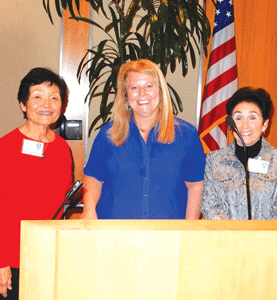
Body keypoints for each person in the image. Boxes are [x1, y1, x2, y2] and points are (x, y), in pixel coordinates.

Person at [0, 68, 73, 299]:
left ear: (62, 106)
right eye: (37, 97)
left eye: (54, 98)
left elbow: (61, 199)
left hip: (43, 249)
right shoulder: (6, 147)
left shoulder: (62, 149)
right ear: (23, 104)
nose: (46, 104)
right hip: (7, 252)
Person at [82, 59, 205, 220]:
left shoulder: (186, 135)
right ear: (126, 95)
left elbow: (196, 185)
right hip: (115, 235)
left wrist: (189, 229)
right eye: (134, 87)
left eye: (148, 86)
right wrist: (89, 209)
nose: (142, 93)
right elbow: (93, 177)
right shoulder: (108, 134)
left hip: (168, 237)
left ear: (160, 92)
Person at [201, 87, 277, 220]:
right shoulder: (214, 160)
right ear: (231, 124)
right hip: (225, 239)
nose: (245, 125)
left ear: (264, 124)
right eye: (238, 118)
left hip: (268, 240)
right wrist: (234, 238)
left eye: (252, 118)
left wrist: (257, 239)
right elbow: (210, 206)